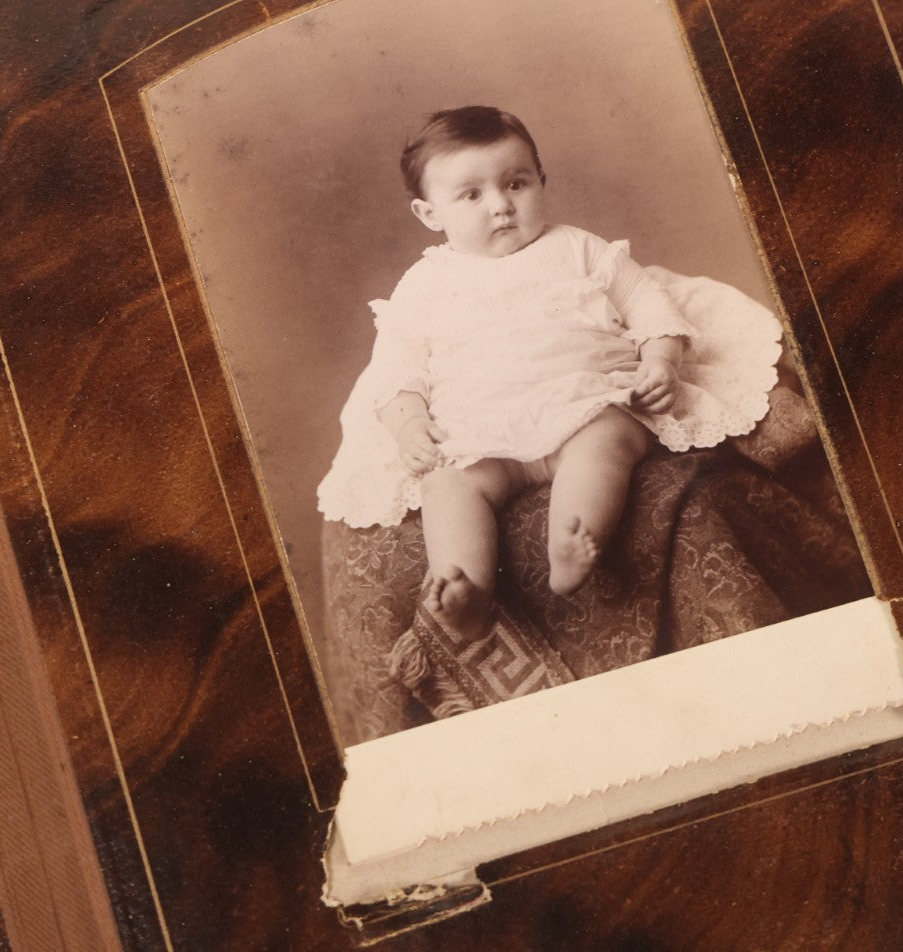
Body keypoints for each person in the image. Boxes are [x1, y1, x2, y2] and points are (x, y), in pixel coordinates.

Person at [318, 106, 783, 640]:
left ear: (542, 180)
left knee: (607, 440)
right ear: (429, 214)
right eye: (471, 195)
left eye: (516, 183)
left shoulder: (578, 248)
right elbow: (395, 369)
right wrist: (408, 426)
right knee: (449, 482)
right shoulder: (423, 285)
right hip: (482, 428)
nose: (501, 206)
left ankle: (573, 540)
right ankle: (465, 590)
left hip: (585, 402)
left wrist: (660, 361)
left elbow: (650, 306)